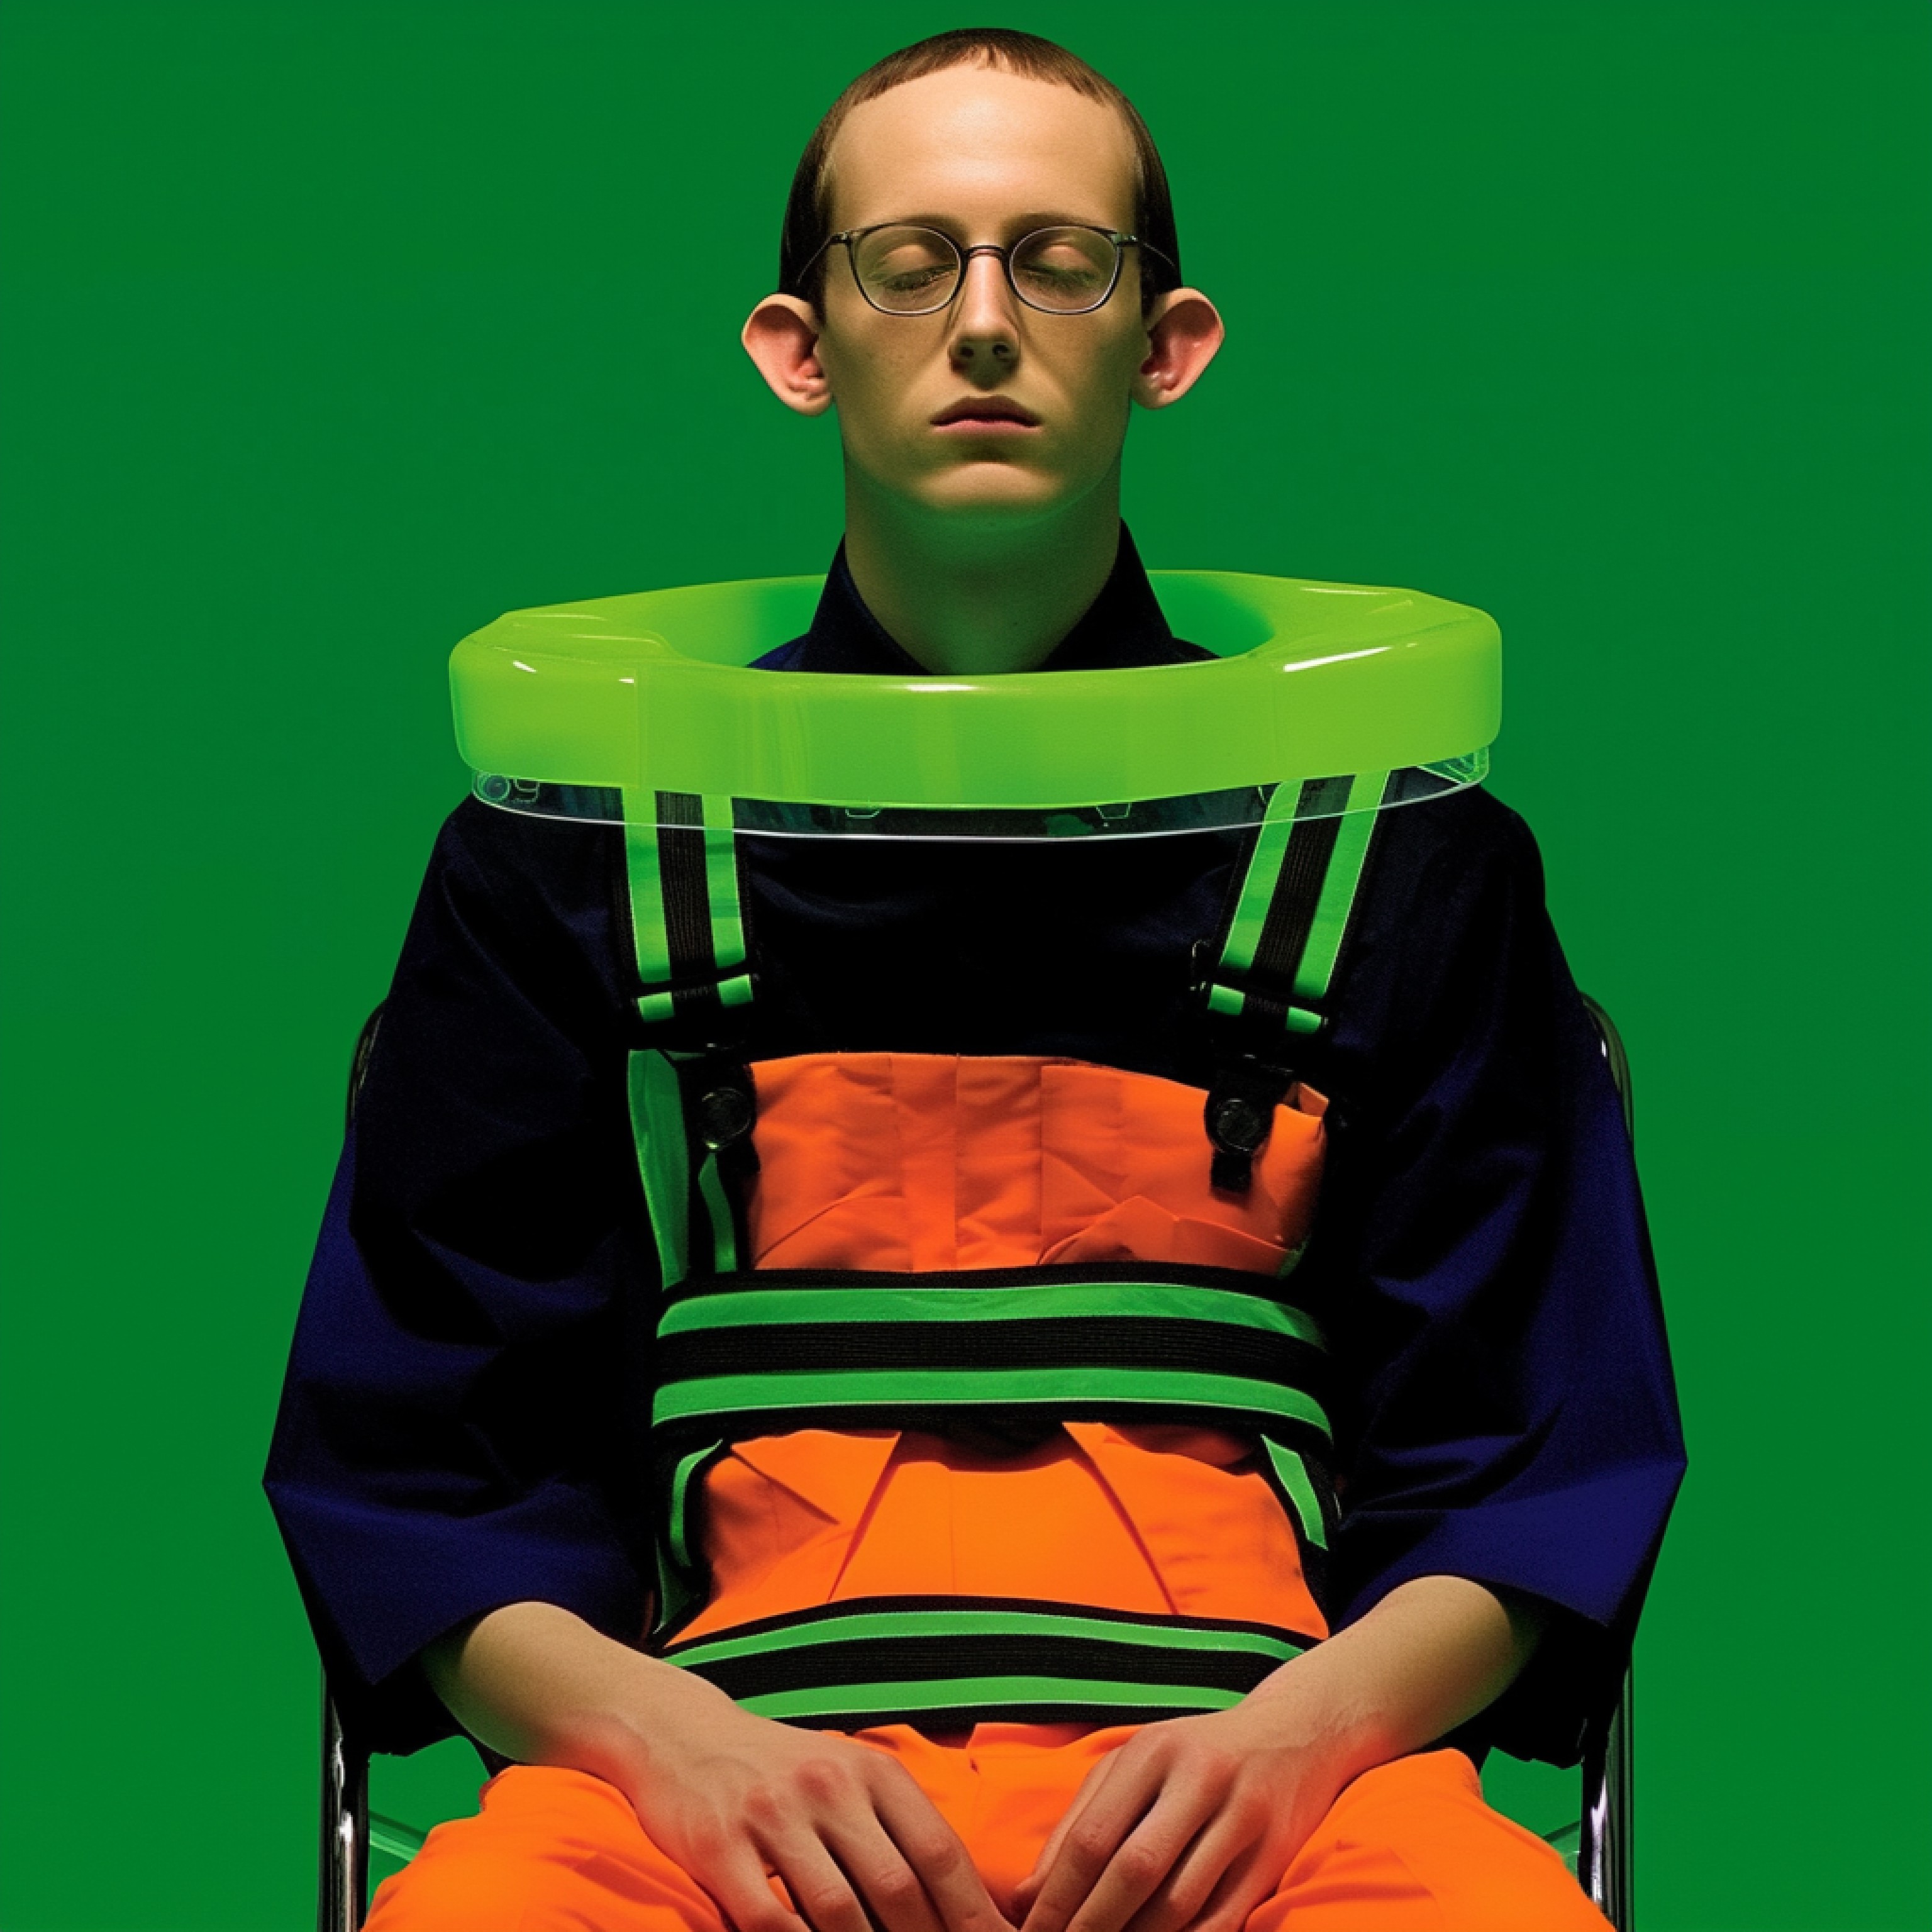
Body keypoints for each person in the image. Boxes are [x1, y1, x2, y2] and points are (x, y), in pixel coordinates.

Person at [266, 29, 1684, 1932]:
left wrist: (1296, 1745)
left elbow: (1536, 1456)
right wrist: (681, 1751)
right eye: (913, 263)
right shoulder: (575, 854)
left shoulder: (1399, 853)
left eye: (1062, 263)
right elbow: (421, 1464)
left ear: (1168, 343)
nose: (989, 324)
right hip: (695, 1786)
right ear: (800, 345)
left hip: (1286, 1787)